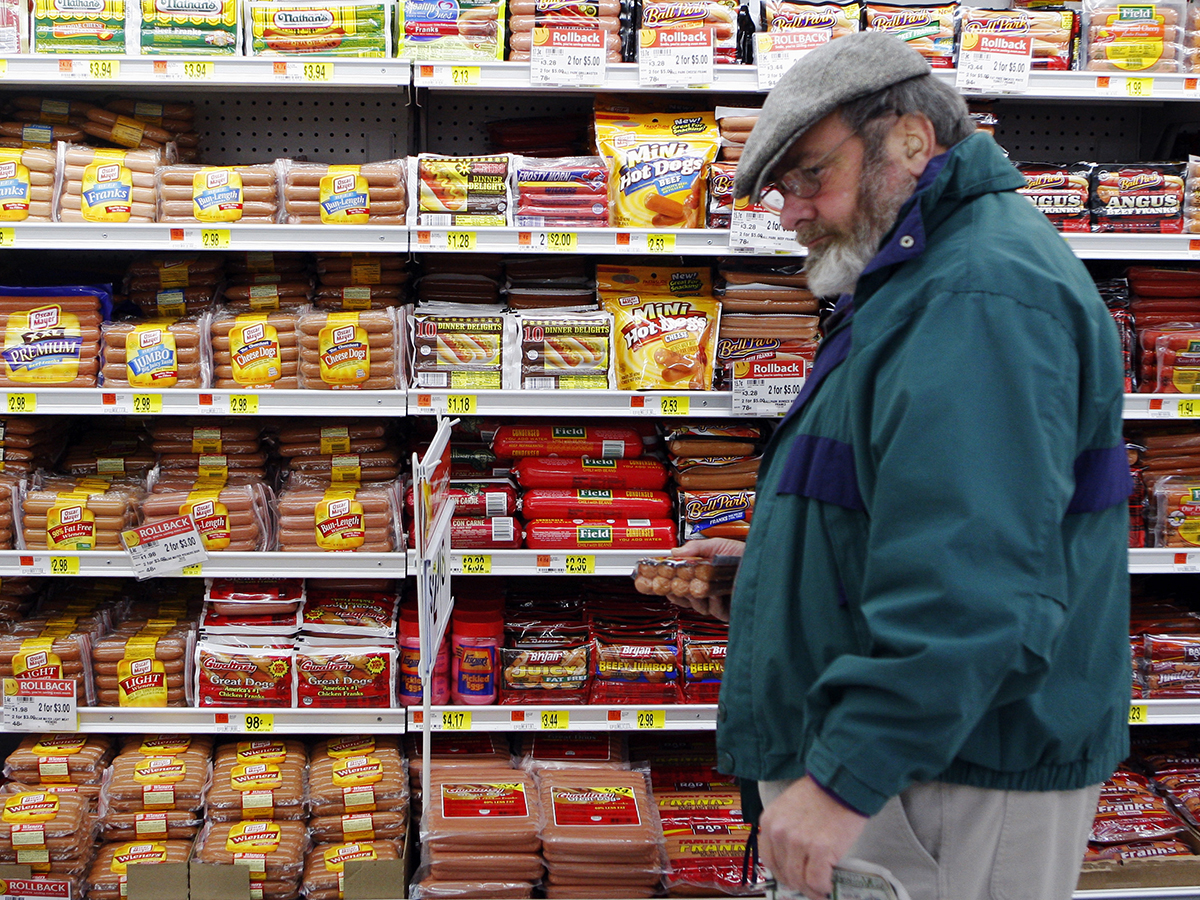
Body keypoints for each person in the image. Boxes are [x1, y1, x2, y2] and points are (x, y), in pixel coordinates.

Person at [671, 32, 1132, 900]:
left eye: (809, 174)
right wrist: (779, 568)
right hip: (935, 765)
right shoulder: (922, 276)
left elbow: (977, 574)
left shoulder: (978, 294)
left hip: (952, 775)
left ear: (912, 143)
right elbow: (913, 500)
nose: (791, 212)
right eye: (782, 188)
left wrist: (849, 773)